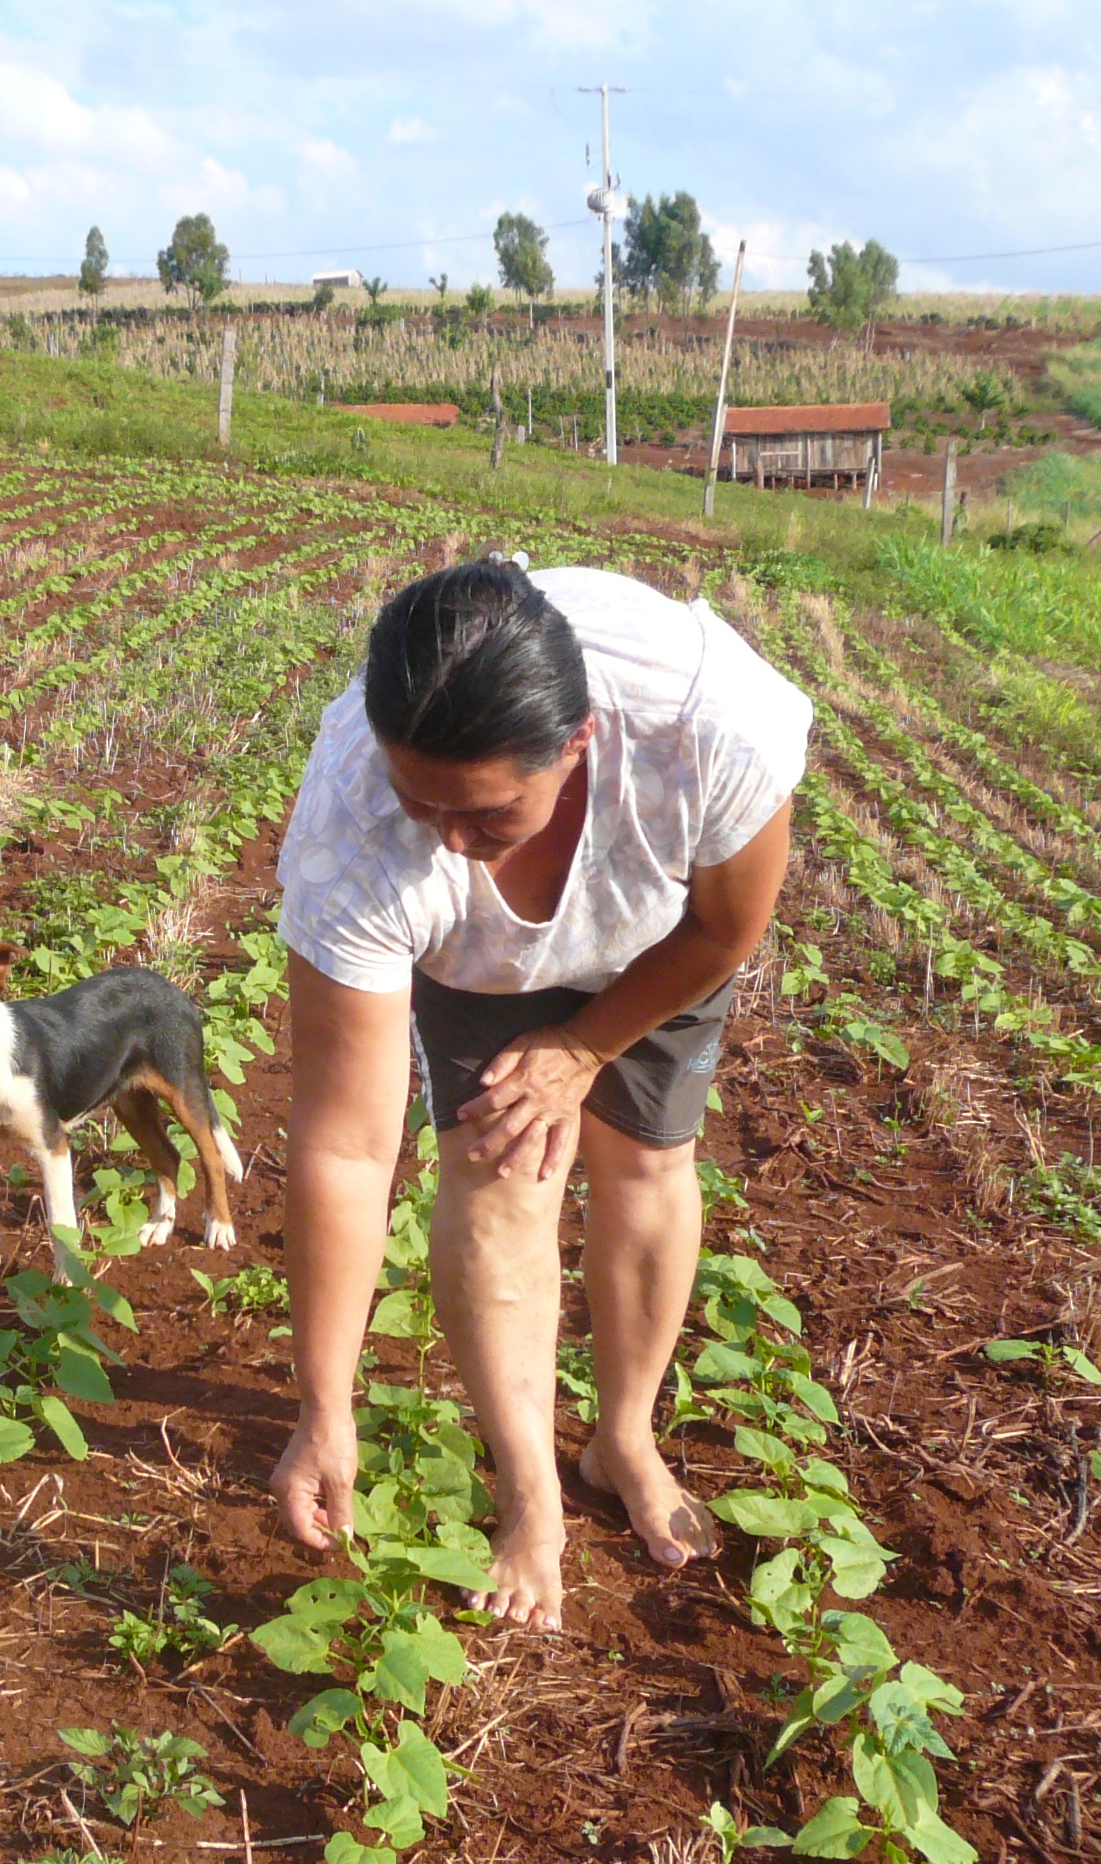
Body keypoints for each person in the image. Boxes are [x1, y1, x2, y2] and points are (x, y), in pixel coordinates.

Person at [268, 557, 809, 1630]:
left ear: (578, 744)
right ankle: (533, 1496)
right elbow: (344, 1148)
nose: (446, 841)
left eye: (483, 814)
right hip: (481, 964)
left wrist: (586, 1046)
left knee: (646, 1158)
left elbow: (723, 930)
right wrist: (323, 1407)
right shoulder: (355, 832)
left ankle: (626, 1437)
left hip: (658, 935)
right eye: (419, 800)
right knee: (495, 1161)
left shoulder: (712, 728)